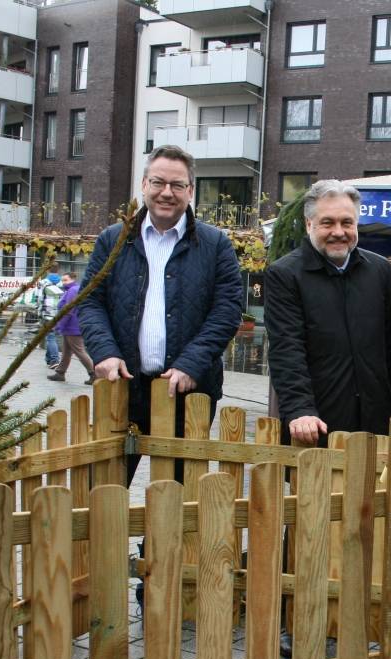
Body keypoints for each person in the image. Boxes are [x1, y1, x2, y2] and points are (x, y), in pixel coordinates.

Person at [79, 144, 244, 482]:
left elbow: (227, 311)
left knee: (177, 493)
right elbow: (90, 301)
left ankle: (158, 539)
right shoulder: (114, 239)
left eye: (177, 185)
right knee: (107, 487)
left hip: (189, 393)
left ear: (191, 191)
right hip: (123, 387)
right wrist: (105, 353)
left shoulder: (215, 245)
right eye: (158, 183)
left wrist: (190, 363)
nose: (166, 193)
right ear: (144, 185)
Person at [265, 179, 391, 445]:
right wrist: (301, 409)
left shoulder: (379, 270)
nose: (339, 231)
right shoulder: (285, 274)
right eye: (328, 223)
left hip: (372, 420)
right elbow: (286, 349)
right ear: (309, 224)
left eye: (347, 222)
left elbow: (387, 344)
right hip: (315, 423)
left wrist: (380, 393)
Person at [47, 271, 95, 385]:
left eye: (66, 280)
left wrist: (60, 325)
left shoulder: (73, 290)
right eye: (62, 280)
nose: (63, 282)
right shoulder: (72, 290)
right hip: (71, 325)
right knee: (67, 351)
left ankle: (94, 373)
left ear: (73, 279)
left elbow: (68, 310)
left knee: (79, 351)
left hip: (72, 326)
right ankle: (60, 372)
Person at [40, 272, 63, 367]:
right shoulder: (62, 283)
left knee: (50, 337)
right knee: (52, 337)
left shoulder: (42, 284)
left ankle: (54, 359)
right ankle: (48, 358)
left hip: (48, 314)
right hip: (59, 313)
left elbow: (40, 299)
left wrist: (39, 313)